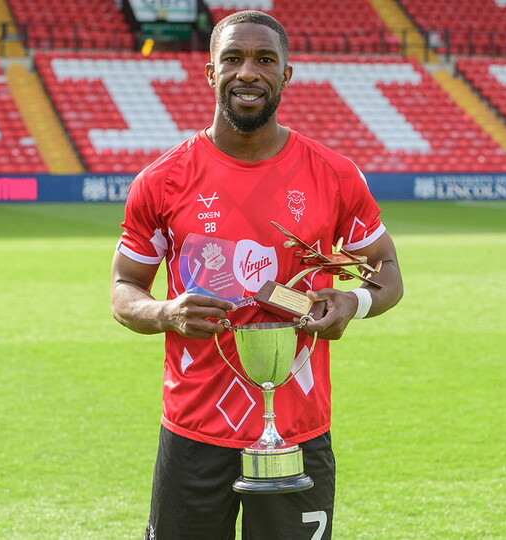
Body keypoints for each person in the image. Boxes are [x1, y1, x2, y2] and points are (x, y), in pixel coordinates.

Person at [110, 10, 403, 539]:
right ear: (211, 72)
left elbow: (388, 270)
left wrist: (352, 303)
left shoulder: (334, 174)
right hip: (195, 431)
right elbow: (123, 288)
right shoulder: (161, 181)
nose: (248, 72)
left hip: (297, 429)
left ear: (285, 74)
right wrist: (165, 312)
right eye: (233, 58)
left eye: (265, 60)